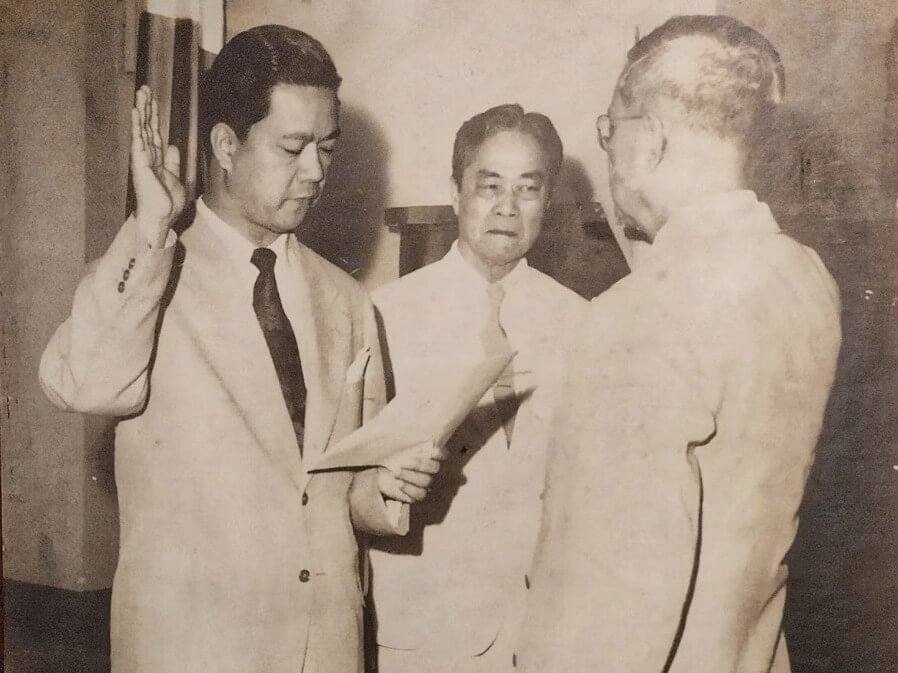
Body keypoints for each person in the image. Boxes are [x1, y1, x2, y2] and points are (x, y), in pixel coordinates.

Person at [39, 25, 444, 673]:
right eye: (293, 147)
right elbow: (79, 382)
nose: (316, 171)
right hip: (194, 648)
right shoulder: (152, 269)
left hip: (326, 648)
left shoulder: (349, 302)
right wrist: (149, 226)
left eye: (327, 147)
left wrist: (388, 486)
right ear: (226, 143)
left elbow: (340, 494)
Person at [519, 15, 841, 673]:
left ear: (652, 140)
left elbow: (609, 613)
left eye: (610, 133)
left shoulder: (639, 314)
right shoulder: (805, 276)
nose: (608, 155)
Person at [369, 104, 587, 673]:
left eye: (527, 189)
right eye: (489, 186)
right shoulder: (384, 315)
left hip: (548, 631)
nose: (507, 208)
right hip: (425, 630)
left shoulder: (584, 322)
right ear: (455, 191)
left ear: (548, 202)